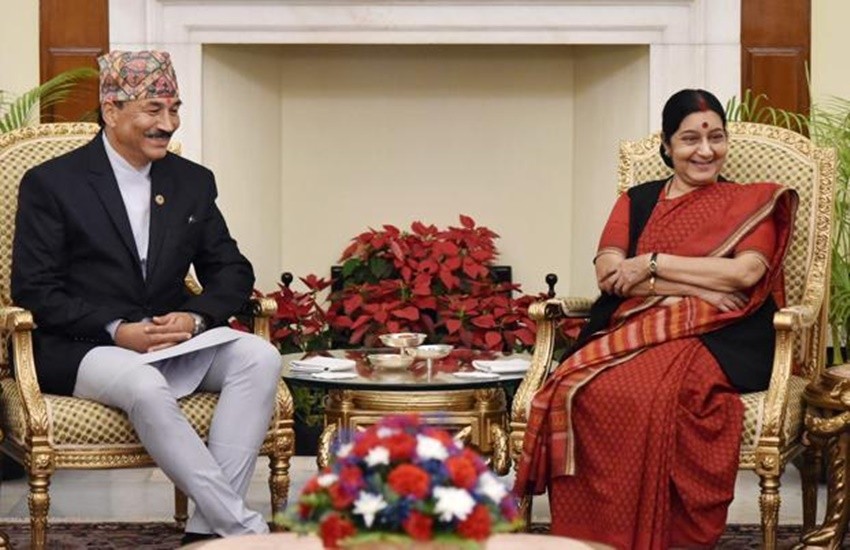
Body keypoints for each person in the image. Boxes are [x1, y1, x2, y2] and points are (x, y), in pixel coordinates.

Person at [11, 50, 282, 545]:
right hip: (83, 344)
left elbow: (231, 270)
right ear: (111, 110)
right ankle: (241, 530)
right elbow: (35, 289)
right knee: (144, 384)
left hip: (171, 337)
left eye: (174, 109)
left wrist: (194, 319)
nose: (168, 124)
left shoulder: (192, 181)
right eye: (153, 110)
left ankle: (206, 531)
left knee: (259, 357)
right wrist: (117, 330)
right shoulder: (52, 183)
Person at [513, 89, 798, 549]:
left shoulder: (750, 203)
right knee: (581, 391)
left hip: (723, 335)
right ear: (667, 145)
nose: (705, 150)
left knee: (650, 393)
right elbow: (610, 274)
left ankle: (658, 536)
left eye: (716, 137)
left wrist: (651, 263)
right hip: (633, 327)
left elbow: (745, 273)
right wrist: (698, 288)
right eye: (690, 139)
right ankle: (593, 538)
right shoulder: (637, 200)